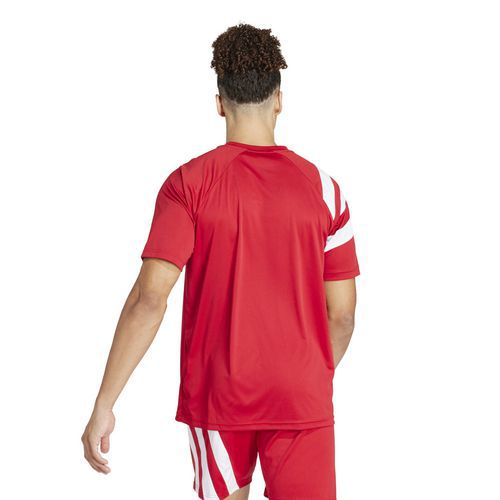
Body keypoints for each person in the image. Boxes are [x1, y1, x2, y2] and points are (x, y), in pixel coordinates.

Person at [82, 23, 360, 500]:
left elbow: (150, 299)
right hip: (301, 396)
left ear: (219, 103)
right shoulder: (326, 192)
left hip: (221, 396)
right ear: (279, 100)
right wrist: (305, 376)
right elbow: (344, 314)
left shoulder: (188, 185)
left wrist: (105, 403)